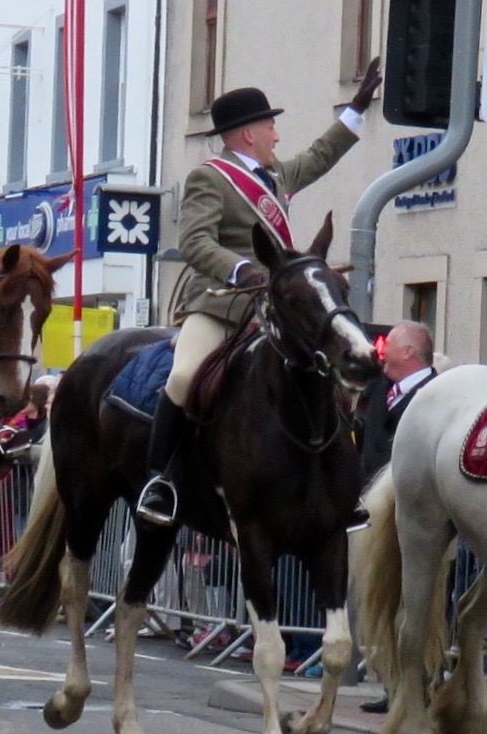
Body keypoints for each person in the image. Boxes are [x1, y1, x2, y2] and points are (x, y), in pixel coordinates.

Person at [137, 64, 379, 529]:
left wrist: (358, 107)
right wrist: (242, 268)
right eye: (271, 126)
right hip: (219, 303)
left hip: (274, 307)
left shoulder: (276, 175)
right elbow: (195, 242)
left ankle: (340, 488)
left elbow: (321, 155)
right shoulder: (208, 179)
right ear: (247, 133)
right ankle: (159, 480)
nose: (277, 136)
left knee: (325, 373)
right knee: (185, 376)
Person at [357, 321, 437, 487]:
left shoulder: (436, 395)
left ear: (407, 352)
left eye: (388, 344)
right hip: (368, 500)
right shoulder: (378, 386)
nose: (381, 350)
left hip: (406, 500)